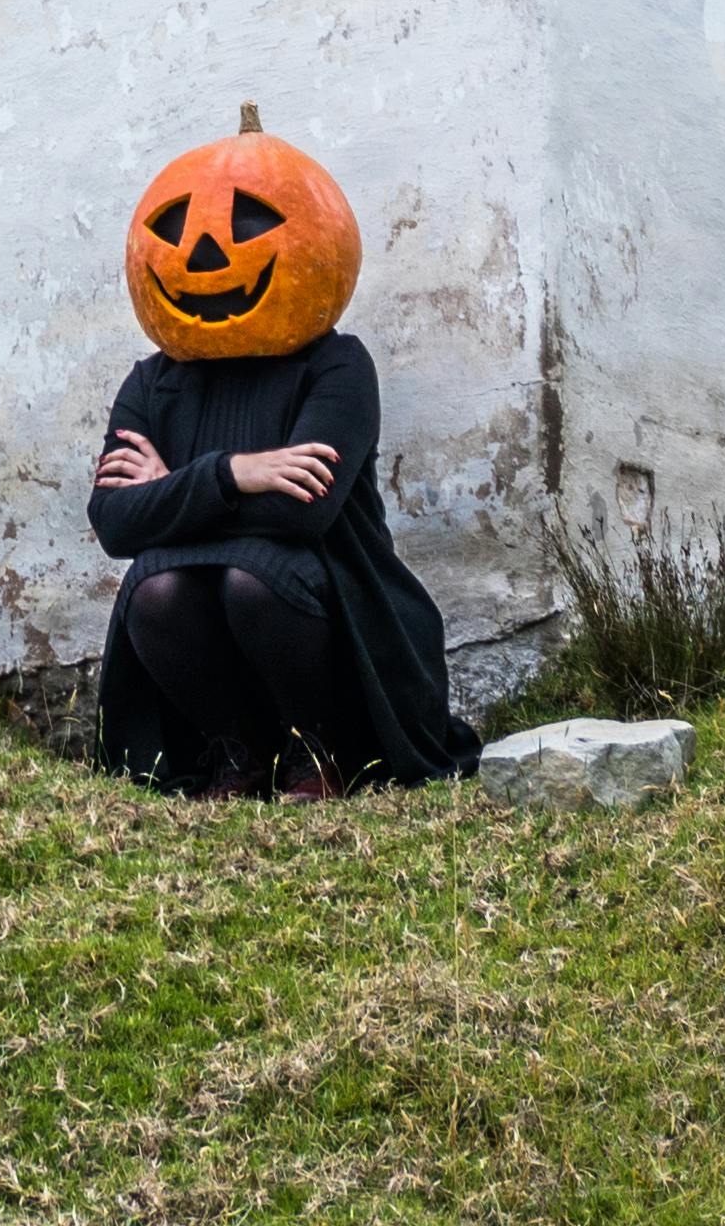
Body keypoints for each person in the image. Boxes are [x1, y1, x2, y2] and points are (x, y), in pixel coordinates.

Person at [86, 115, 480, 796]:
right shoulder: (152, 383)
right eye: (174, 228)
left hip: (331, 611)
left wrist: (172, 491)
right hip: (215, 616)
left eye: (247, 225)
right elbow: (115, 524)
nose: (204, 252)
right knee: (155, 587)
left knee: (252, 580)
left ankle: (321, 751)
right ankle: (240, 754)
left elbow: (303, 514)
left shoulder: (337, 367)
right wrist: (235, 474)